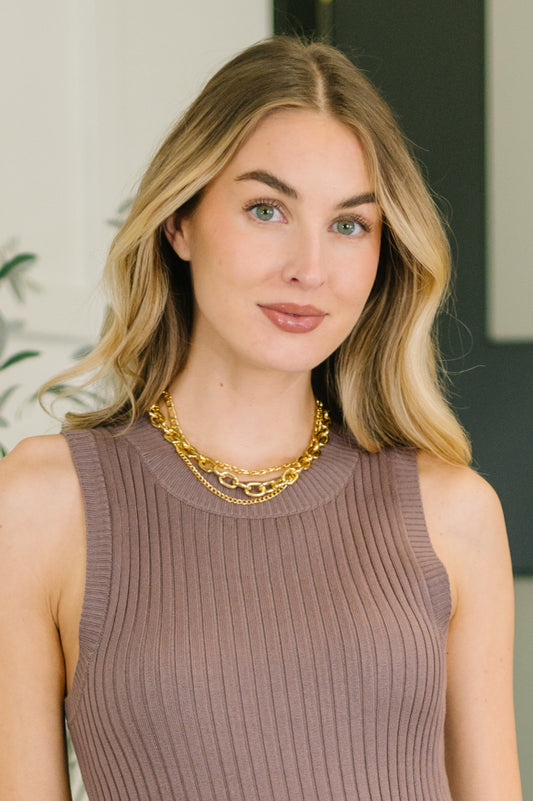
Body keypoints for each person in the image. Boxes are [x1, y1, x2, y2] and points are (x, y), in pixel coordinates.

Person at [0, 36, 522, 801]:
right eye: (266, 209)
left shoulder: (453, 512)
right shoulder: (41, 504)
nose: (308, 266)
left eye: (349, 224)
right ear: (179, 222)